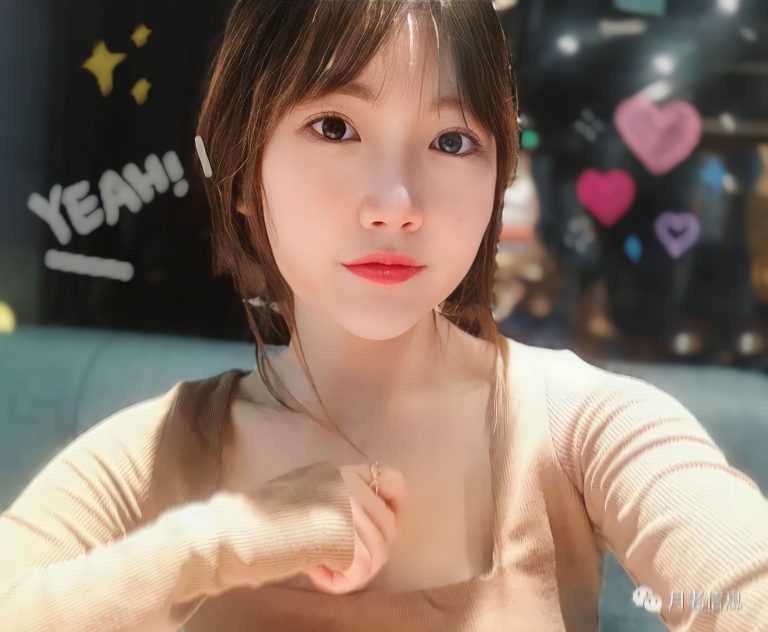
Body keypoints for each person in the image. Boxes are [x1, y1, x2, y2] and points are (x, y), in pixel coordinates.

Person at [1, 1, 767, 630]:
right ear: (241, 173)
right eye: (335, 127)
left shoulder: (581, 428)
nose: (396, 206)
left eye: (451, 140)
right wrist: (220, 541)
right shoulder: (149, 456)